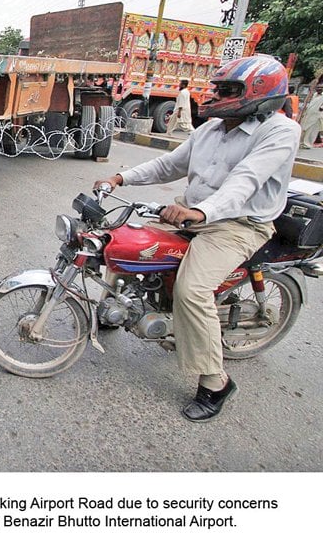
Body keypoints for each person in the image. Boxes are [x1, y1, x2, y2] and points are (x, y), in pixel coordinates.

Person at [94, 55, 300, 422]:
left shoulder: (280, 131)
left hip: (237, 225)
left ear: (259, 92)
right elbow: (168, 165)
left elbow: (246, 181)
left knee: (192, 289)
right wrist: (119, 179)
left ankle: (215, 382)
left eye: (228, 90)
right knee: (124, 243)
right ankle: (116, 310)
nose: (217, 95)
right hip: (192, 213)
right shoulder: (212, 128)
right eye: (218, 88)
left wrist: (201, 213)